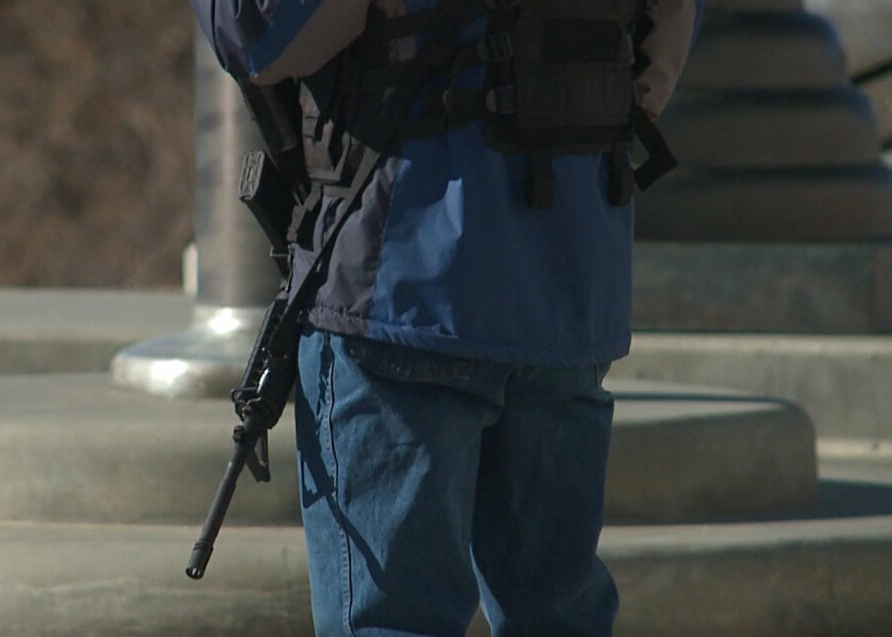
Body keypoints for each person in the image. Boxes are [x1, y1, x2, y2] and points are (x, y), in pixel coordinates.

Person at [188, 1, 702, 635]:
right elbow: (658, 59)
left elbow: (266, 35)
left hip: (403, 294)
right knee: (560, 615)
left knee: (394, 620)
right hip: (568, 292)